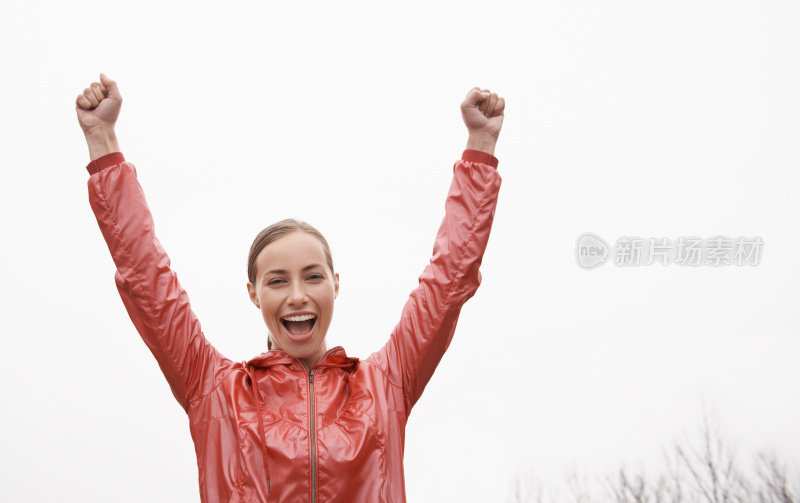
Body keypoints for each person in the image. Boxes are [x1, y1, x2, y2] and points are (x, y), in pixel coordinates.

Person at [76, 73, 504, 502]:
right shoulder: (214, 391)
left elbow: (449, 278)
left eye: (313, 276)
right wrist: (103, 139)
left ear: (335, 285)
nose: (297, 295)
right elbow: (147, 277)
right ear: (253, 294)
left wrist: (480, 147)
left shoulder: (385, 386)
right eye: (277, 281)